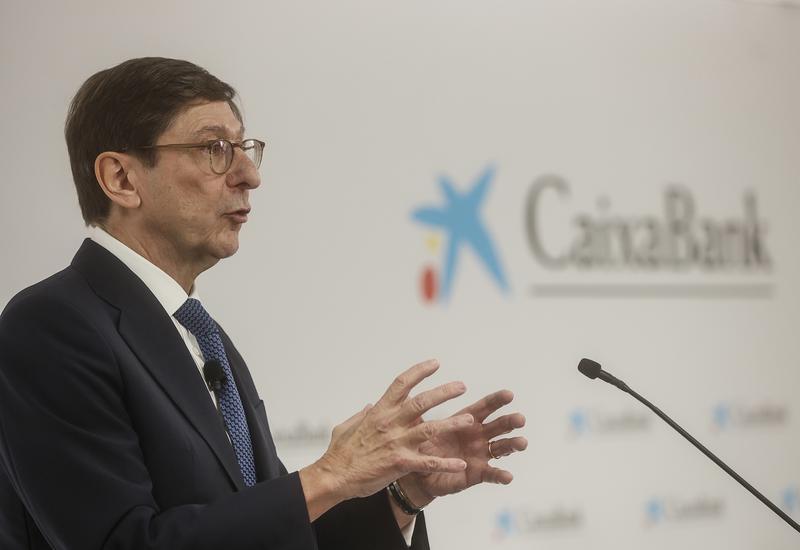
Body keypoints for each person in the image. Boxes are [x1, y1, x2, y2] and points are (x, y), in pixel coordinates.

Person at [0, 57, 528, 550]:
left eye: (243, 148)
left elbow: (264, 534)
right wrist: (329, 476)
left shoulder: (199, 333)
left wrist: (401, 493)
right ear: (121, 179)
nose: (249, 176)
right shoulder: (50, 327)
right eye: (214, 149)